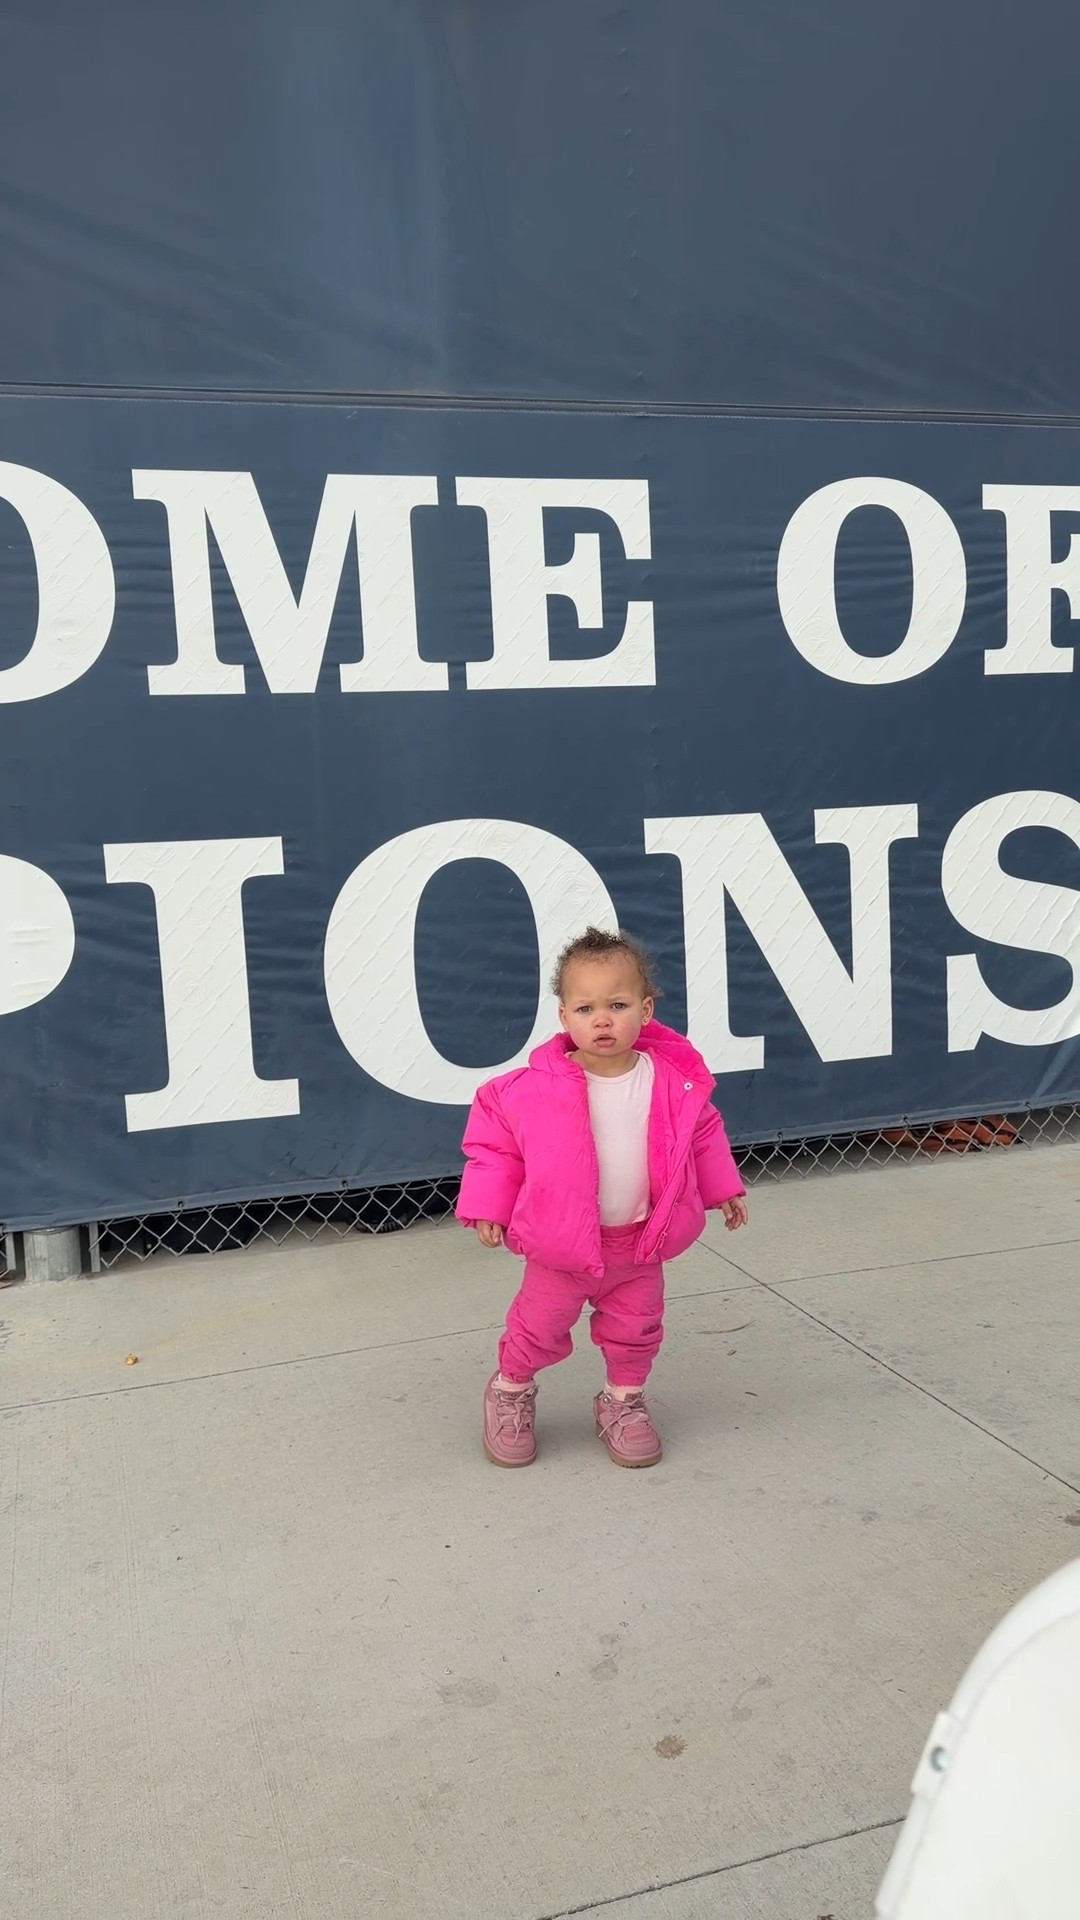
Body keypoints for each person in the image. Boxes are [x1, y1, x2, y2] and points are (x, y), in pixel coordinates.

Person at [457, 926, 749, 1470]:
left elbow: (702, 1134)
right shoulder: (532, 1090)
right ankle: (510, 1389)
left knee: (636, 1330)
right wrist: (488, 1205)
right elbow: (495, 1144)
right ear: (565, 1018)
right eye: (586, 1007)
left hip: (638, 1246)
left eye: (618, 1004)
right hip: (561, 1249)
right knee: (537, 1326)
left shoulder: (670, 1082)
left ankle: (622, 1403)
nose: (603, 1019)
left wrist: (723, 1188)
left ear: (646, 1008)